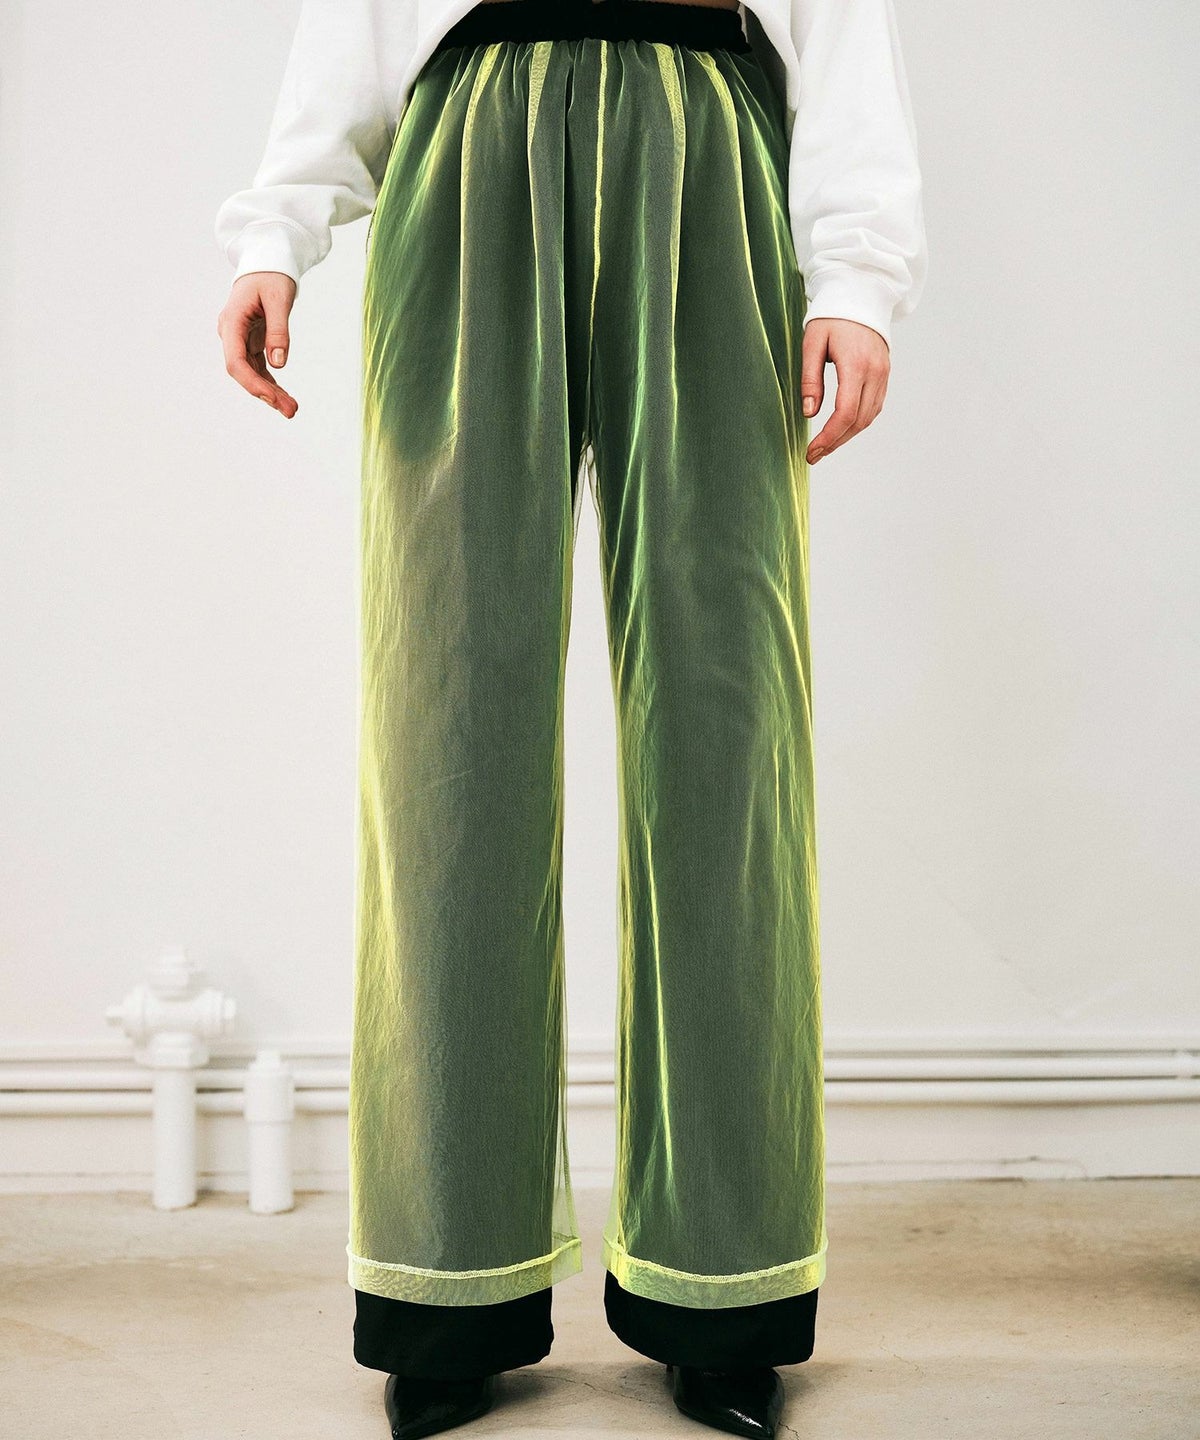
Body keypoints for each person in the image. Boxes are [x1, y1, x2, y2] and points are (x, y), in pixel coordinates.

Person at [214, 2, 926, 1437]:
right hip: (466, 157)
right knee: (446, 723)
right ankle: (446, 1291)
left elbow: (843, 24)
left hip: (709, 155)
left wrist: (857, 271)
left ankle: (723, 1293)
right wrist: (273, 231)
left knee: (725, 728)